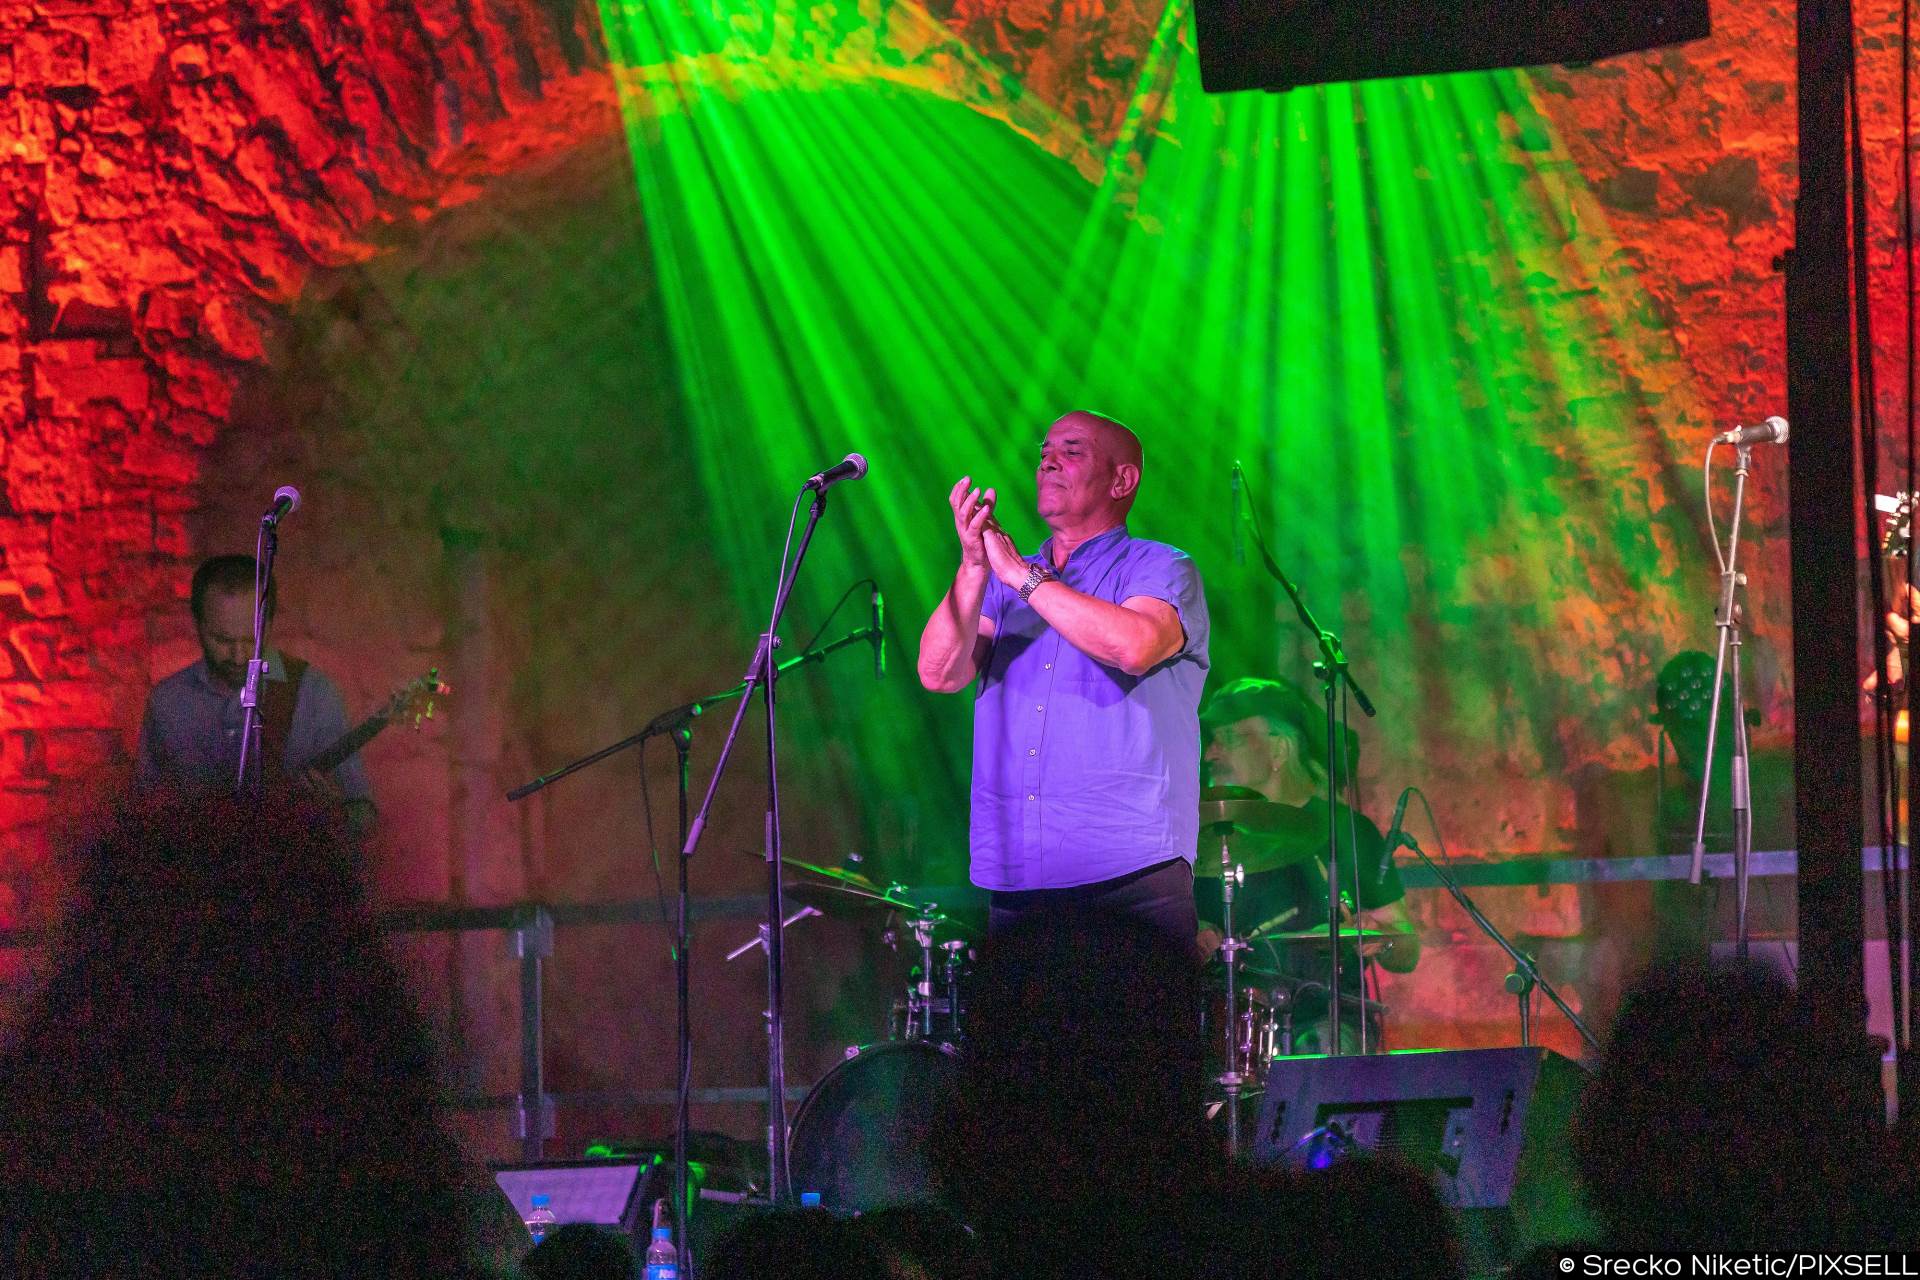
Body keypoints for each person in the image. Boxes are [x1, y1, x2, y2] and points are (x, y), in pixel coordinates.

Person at [916, 411, 1209, 941]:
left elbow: (1135, 646)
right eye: (1044, 452)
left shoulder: (1160, 566)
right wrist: (974, 567)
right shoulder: (1002, 579)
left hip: (1129, 875)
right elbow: (939, 673)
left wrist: (1021, 577)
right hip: (1018, 876)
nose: (1047, 462)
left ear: (1122, 480)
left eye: (1071, 451)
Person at [1196, 676, 1418, 1053]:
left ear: (1279, 749)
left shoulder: (1347, 831)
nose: (1210, 754)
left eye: (1229, 738)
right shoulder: (1203, 835)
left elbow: (1407, 949)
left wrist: (1381, 937)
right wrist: (1195, 930)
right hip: (1229, 1023)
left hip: (1325, 1019)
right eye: (1212, 740)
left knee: (1328, 1044)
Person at [135, 554, 374, 827]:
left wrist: (335, 816)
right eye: (222, 640)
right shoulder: (167, 702)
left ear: (269, 624)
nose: (239, 656)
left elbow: (364, 814)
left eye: (252, 639)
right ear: (197, 624)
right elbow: (142, 811)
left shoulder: (314, 694)